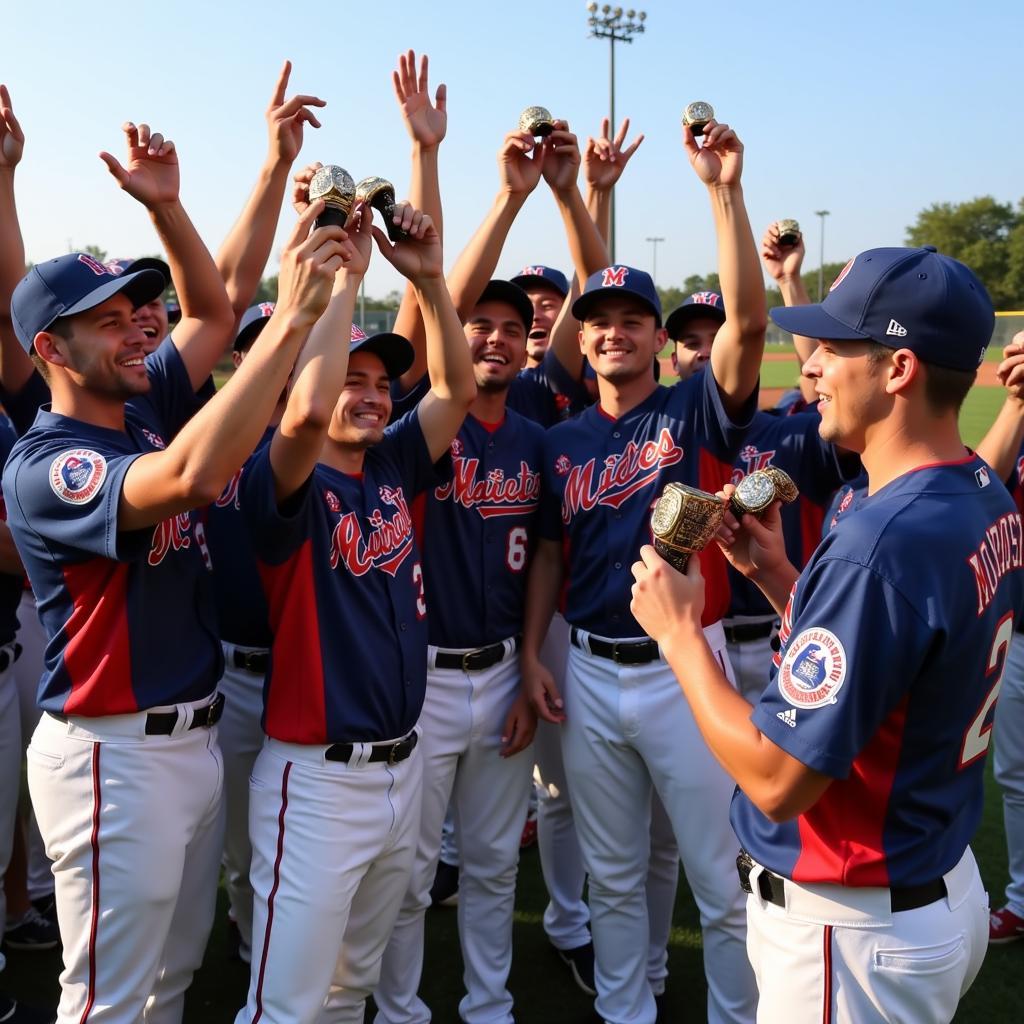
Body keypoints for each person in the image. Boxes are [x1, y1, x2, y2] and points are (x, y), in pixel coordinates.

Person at [3, 103, 347, 1024]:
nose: (133, 331)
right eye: (103, 322)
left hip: (187, 741)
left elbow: (209, 309)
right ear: (49, 350)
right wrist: (298, 317)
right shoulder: (50, 463)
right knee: (107, 1004)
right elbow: (194, 476)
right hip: (112, 754)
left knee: (172, 984)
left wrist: (168, 207)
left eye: (131, 313)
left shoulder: (141, 399)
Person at [630, 245, 1015, 1023]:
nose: (815, 367)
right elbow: (899, 656)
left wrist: (677, 635)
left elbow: (777, 781)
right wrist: (781, 579)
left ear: (898, 369)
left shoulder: (882, 539)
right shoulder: (981, 489)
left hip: (856, 921)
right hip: (929, 877)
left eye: (837, 349)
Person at [521, 116, 763, 1024]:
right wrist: (533, 651)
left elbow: (746, 322)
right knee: (615, 874)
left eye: (631, 321)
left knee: (718, 873)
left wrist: (721, 191)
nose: (614, 332)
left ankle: (738, 1015)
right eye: (599, 322)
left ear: (660, 340)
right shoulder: (560, 439)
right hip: (585, 668)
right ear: (580, 343)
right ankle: (627, 1012)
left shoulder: (693, 409)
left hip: (680, 668)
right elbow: (549, 549)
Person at [236, 194, 476, 1024]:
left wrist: (434, 282)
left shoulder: (392, 466)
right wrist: (345, 284)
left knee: (351, 988)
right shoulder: (281, 481)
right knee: (285, 1004)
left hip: (401, 769)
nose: (372, 396)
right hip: (317, 778)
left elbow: (454, 385)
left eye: (381, 384)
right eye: (354, 379)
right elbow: (303, 413)